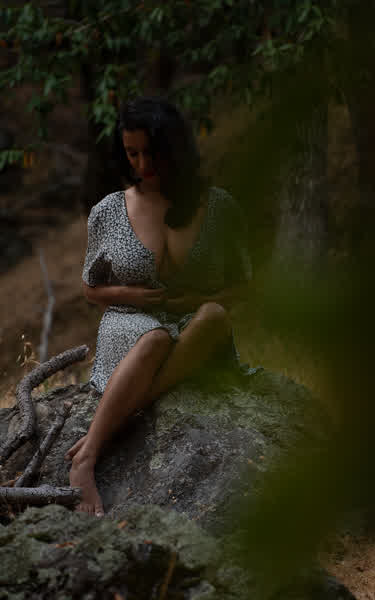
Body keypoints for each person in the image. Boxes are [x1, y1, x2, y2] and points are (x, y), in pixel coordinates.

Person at [65, 96, 252, 516]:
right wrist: (130, 295)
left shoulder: (218, 207)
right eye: (132, 153)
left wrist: (197, 300)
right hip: (130, 324)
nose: (142, 164)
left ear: (175, 148)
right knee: (155, 338)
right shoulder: (109, 210)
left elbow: (243, 288)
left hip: (192, 327)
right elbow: (91, 290)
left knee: (215, 316)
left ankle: (114, 416)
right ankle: (86, 458)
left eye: (151, 152)